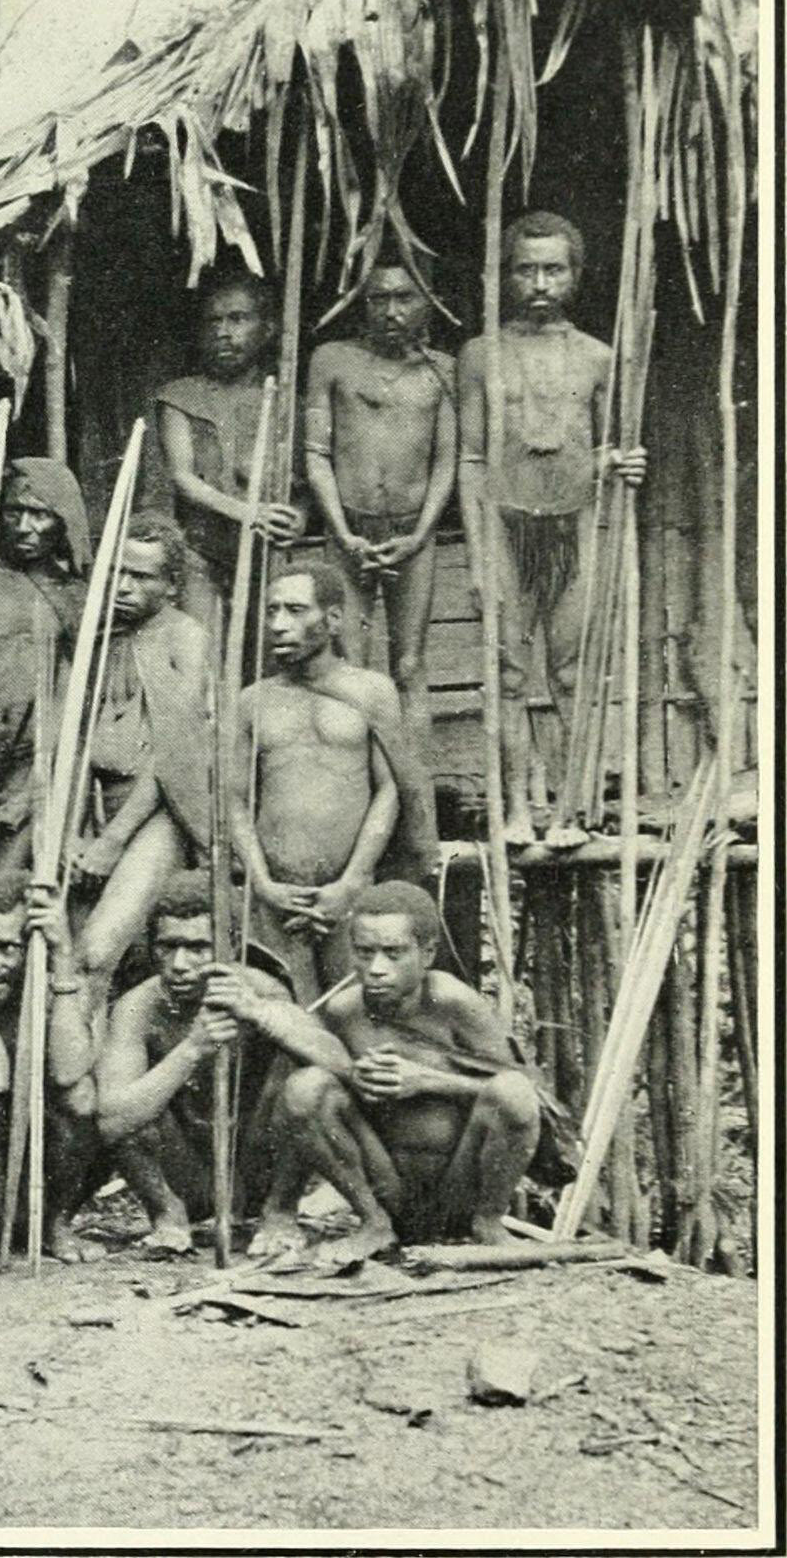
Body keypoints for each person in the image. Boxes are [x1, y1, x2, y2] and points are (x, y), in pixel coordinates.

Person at [458, 212, 646, 843]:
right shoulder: (481, 354)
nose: (540, 282)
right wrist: (481, 557)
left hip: (575, 526)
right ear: (507, 275)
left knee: (570, 674)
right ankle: (514, 809)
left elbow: (606, 449)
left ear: (575, 275)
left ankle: (567, 811)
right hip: (509, 530)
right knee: (508, 677)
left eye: (553, 269)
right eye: (526, 268)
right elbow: (472, 460)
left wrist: (619, 462)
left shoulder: (597, 357)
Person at [274, 881, 542, 1262]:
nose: (376, 969)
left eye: (394, 953)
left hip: (458, 1185)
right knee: (305, 1086)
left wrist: (427, 1080)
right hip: (386, 1185)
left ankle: (488, 1224)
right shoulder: (342, 1011)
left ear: (427, 953)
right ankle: (374, 1225)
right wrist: (355, 1078)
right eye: (364, 953)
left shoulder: (453, 1003)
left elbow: (519, 1092)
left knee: (513, 1092)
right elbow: (305, 1110)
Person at [95, 870, 314, 1257]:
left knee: (301, 1078)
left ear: (229, 946)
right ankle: (168, 1217)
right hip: (187, 1171)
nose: (180, 963)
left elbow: (325, 1063)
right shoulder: (139, 1008)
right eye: (168, 946)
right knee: (130, 1105)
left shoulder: (264, 991)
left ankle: (279, 1214)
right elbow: (112, 1120)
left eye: (198, 947)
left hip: (254, 1163)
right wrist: (191, 1049)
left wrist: (258, 1014)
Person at [231, 560, 411, 1006]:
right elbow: (233, 801)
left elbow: (390, 789)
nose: (278, 625)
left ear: (332, 620)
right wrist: (264, 884)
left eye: (295, 610)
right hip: (274, 897)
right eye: (272, 611)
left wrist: (350, 882)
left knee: (353, 1012)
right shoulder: (252, 701)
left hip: (346, 895)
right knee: (283, 1016)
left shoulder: (372, 691)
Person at [304, 259, 456, 762]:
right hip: (348, 532)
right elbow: (317, 454)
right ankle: (357, 788)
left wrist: (420, 534)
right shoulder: (331, 360)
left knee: (409, 665)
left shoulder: (442, 371)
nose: (391, 311)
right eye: (378, 299)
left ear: (427, 301)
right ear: (361, 304)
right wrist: (343, 531)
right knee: (348, 659)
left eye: (404, 298)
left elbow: (445, 463)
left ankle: (416, 800)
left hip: (414, 535)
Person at [68, 513, 215, 1010]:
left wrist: (111, 840)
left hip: (157, 812)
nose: (123, 586)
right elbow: (75, 744)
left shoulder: (184, 637)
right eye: (115, 572)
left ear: (172, 585)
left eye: (141, 576)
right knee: (66, 953)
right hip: (94, 809)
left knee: (96, 951)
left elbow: (175, 752)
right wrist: (74, 830)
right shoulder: (98, 638)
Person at [0, 874, 107, 1263]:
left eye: (7, 949)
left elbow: (69, 1074)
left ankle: (57, 1225)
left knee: (82, 1095)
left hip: (33, 1181)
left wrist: (63, 954)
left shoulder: (59, 989)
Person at [0, 458, 90, 868]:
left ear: (62, 520)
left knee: (1, 881)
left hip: (30, 762)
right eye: (15, 511)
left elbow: (72, 701)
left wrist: (35, 790)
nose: (25, 527)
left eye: (41, 514)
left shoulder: (73, 595)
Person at [156, 270, 306, 627]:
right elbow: (183, 477)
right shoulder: (180, 396)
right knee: (202, 656)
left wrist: (299, 519)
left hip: (267, 551)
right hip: (200, 551)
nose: (223, 332)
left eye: (238, 319)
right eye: (214, 321)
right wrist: (246, 511)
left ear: (267, 329)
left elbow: (303, 485)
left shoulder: (286, 402)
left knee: (268, 655)